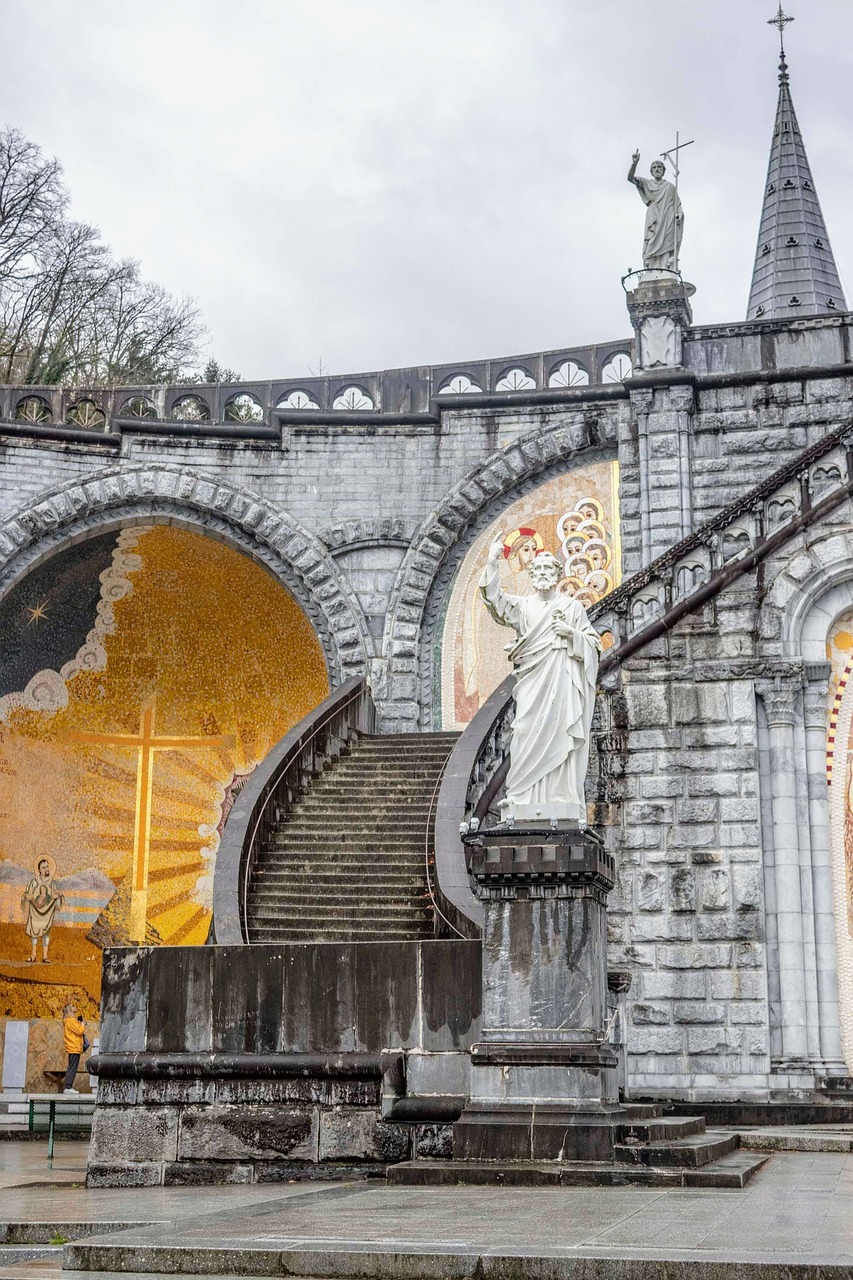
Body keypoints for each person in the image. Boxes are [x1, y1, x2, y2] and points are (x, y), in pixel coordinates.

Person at [480, 539, 602, 823]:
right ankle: (524, 796)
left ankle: (560, 795)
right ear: (532, 575)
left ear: (557, 575)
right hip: (533, 682)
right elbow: (495, 602)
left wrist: (571, 635)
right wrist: (491, 563)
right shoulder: (522, 608)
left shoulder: (572, 608)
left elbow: (594, 644)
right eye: (539, 569)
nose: (544, 574)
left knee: (560, 732)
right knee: (524, 731)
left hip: (562, 678)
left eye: (549, 569)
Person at [627, 151, 684, 272]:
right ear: (651, 171)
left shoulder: (670, 187)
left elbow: (677, 204)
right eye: (654, 168)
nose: (657, 169)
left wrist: (679, 213)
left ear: (663, 170)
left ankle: (666, 269)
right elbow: (630, 178)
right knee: (652, 241)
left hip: (668, 217)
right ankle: (651, 268)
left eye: (659, 167)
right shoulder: (647, 183)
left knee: (667, 243)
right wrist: (634, 163)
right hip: (654, 217)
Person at [21, 856, 63, 963]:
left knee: (46, 933)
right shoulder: (34, 882)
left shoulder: (51, 883)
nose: (46, 869)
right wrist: (27, 897)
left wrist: (58, 897)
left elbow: (56, 894)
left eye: (47, 867)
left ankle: (45, 956)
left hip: (47, 912)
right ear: (39, 870)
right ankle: (33, 955)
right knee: (34, 933)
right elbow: (28, 893)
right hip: (35, 912)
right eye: (43, 867)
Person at [62, 1003, 88, 1094]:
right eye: (73, 1006)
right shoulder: (70, 1021)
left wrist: (80, 1023)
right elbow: (79, 1031)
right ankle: (68, 1087)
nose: (75, 1006)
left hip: (74, 1046)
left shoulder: (70, 1021)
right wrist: (83, 1024)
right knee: (72, 1067)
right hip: (74, 1046)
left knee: (72, 1066)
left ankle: (68, 1086)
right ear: (69, 1009)